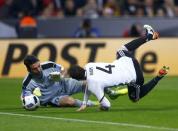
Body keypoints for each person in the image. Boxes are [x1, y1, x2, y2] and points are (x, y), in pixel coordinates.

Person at [77, 25, 169, 111]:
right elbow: (88, 83)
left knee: (135, 98)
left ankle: (158, 77)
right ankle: (148, 36)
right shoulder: (88, 65)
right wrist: (85, 102)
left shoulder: (93, 84)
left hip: (135, 77)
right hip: (129, 61)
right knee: (121, 50)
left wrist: (102, 106)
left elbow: (107, 105)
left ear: (79, 79)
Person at [21, 55, 98, 108]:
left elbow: (64, 70)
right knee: (70, 101)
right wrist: (30, 100)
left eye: (39, 66)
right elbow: (25, 97)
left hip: (64, 85)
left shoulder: (49, 65)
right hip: (53, 98)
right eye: (34, 68)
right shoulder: (27, 82)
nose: (38, 69)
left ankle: (104, 96)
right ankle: (90, 103)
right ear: (28, 69)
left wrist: (61, 76)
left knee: (89, 83)